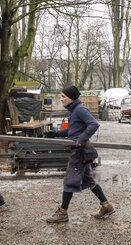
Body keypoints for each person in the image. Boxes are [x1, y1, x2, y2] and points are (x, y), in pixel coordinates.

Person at [44, 85, 115, 223]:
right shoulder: (73, 110)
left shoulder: (80, 109)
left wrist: (80, 140)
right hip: (80, 151)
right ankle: (106, 206)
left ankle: (63, 212)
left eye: (63, 96)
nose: (61, 99)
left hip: (79, 152)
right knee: (89, 181)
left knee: (70, 181)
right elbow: (71, 131)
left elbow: (93, 124)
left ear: (71, 97)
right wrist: (55, 134)